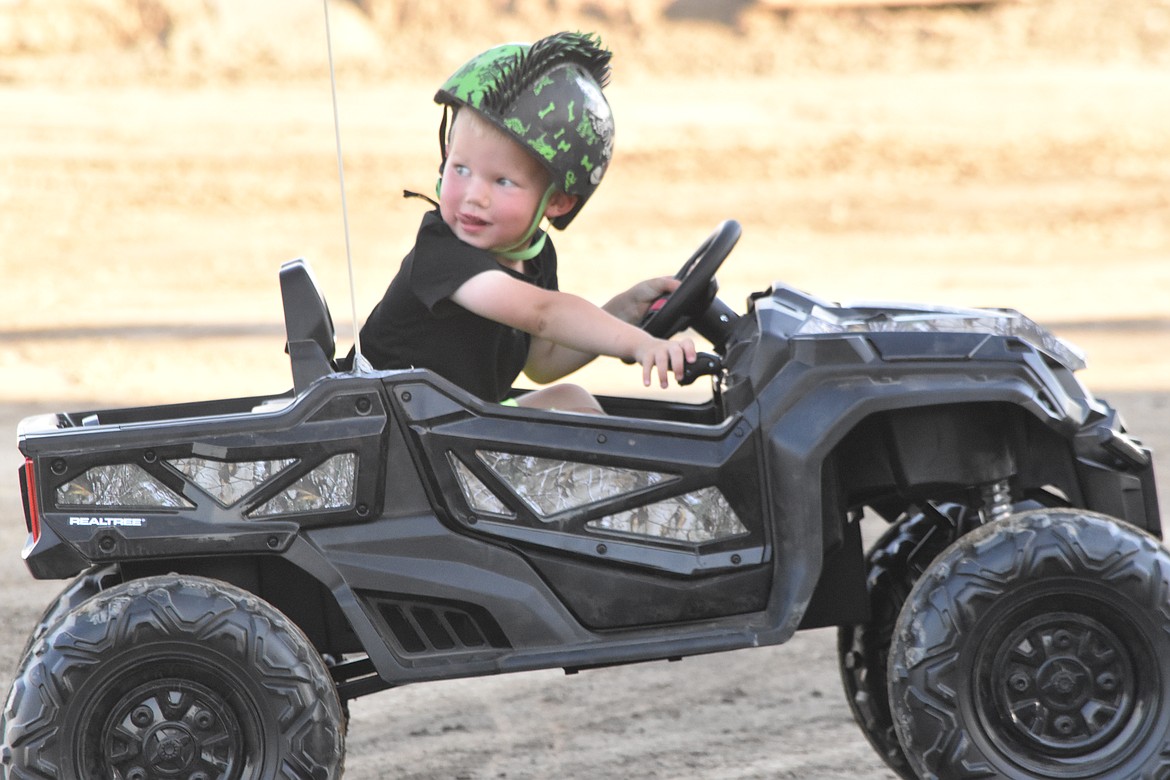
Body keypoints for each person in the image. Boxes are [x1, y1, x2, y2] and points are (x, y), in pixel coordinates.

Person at [358, 31, 695, 414]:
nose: (474, 195)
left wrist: (627, 310)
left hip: (451, 433)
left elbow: (543, 361)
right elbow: (543, 315)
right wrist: (638, 344)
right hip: (394, 438)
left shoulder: (534, 255)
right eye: (461, 169)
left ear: (557, 201)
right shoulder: (442, 253)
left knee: (573, 403)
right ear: (445, 155)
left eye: (502, 181)